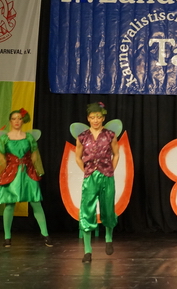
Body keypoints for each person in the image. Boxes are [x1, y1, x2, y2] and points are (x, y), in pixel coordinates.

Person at [0, 108, 51, 247]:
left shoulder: (29, 137)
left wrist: (29, 166)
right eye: (14, 119)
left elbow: (34, 155)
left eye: (19, 119)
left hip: (27, 173)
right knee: (9, 204)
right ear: (10, 121)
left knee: (36, 202)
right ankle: (7, 237)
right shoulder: (4, 138)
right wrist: (10, 167)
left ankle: (45, 234)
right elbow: (1, 156)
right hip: (12, 173)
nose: (17, 121)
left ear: (22, 121)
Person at [75, 102, 119, 263]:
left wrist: (110, 170)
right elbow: (78, 157)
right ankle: (87, 250)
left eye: (98, 117)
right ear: (88, 118)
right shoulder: (82, 137)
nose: (95, 120)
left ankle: (108, 238)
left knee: (108, 208)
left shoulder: (110, 135)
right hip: (90, 177)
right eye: (92, 117)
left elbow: (116, 154)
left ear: (103, 118)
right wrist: (86, 171)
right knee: (87, 210)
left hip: (106, 176)